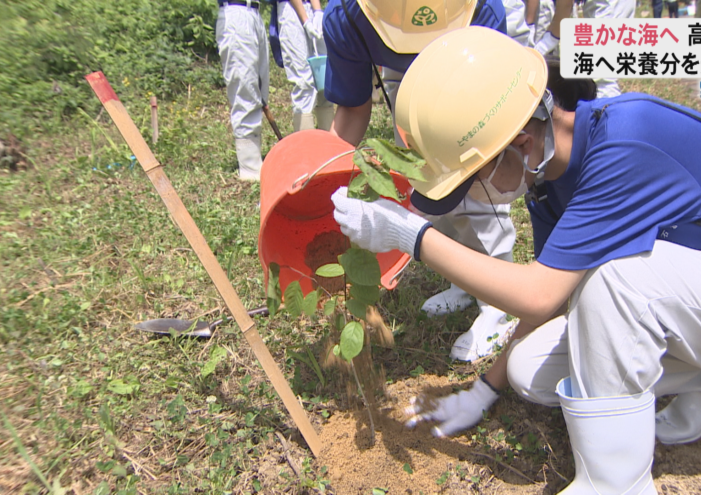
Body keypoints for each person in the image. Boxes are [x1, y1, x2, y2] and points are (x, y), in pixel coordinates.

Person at [330, 27, 701, 493]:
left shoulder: (629, 144)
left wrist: (412, 235)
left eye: (474, 180)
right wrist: (484, 390)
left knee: (616, 280)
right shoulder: (547, 180)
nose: (476, 195)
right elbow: (546, 303)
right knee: (529, 371)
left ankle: (615, 482)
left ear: (518, 143)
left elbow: (538, 291)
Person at [322, 0, 520, 362]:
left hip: (471, 68)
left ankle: (496, 303)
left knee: (475, 174)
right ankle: (462, 278)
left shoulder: (482, 8)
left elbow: (493, 110)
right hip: (404, 78)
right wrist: (324, 174)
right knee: (424, 179)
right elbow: (352, 108)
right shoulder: (348, 14)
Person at [216, 0, 271, 181]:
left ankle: (255, 159)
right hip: (235, 11)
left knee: (260, 91)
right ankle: (250, 169)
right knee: (245, 88)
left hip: (254, 12)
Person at [269, 0, 336, 132]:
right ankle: (306, 148)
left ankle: (329, 146)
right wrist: (305, 20)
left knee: (325, 81)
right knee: (304, 83)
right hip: (291, 10)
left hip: (312, 7)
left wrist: (317, 11)